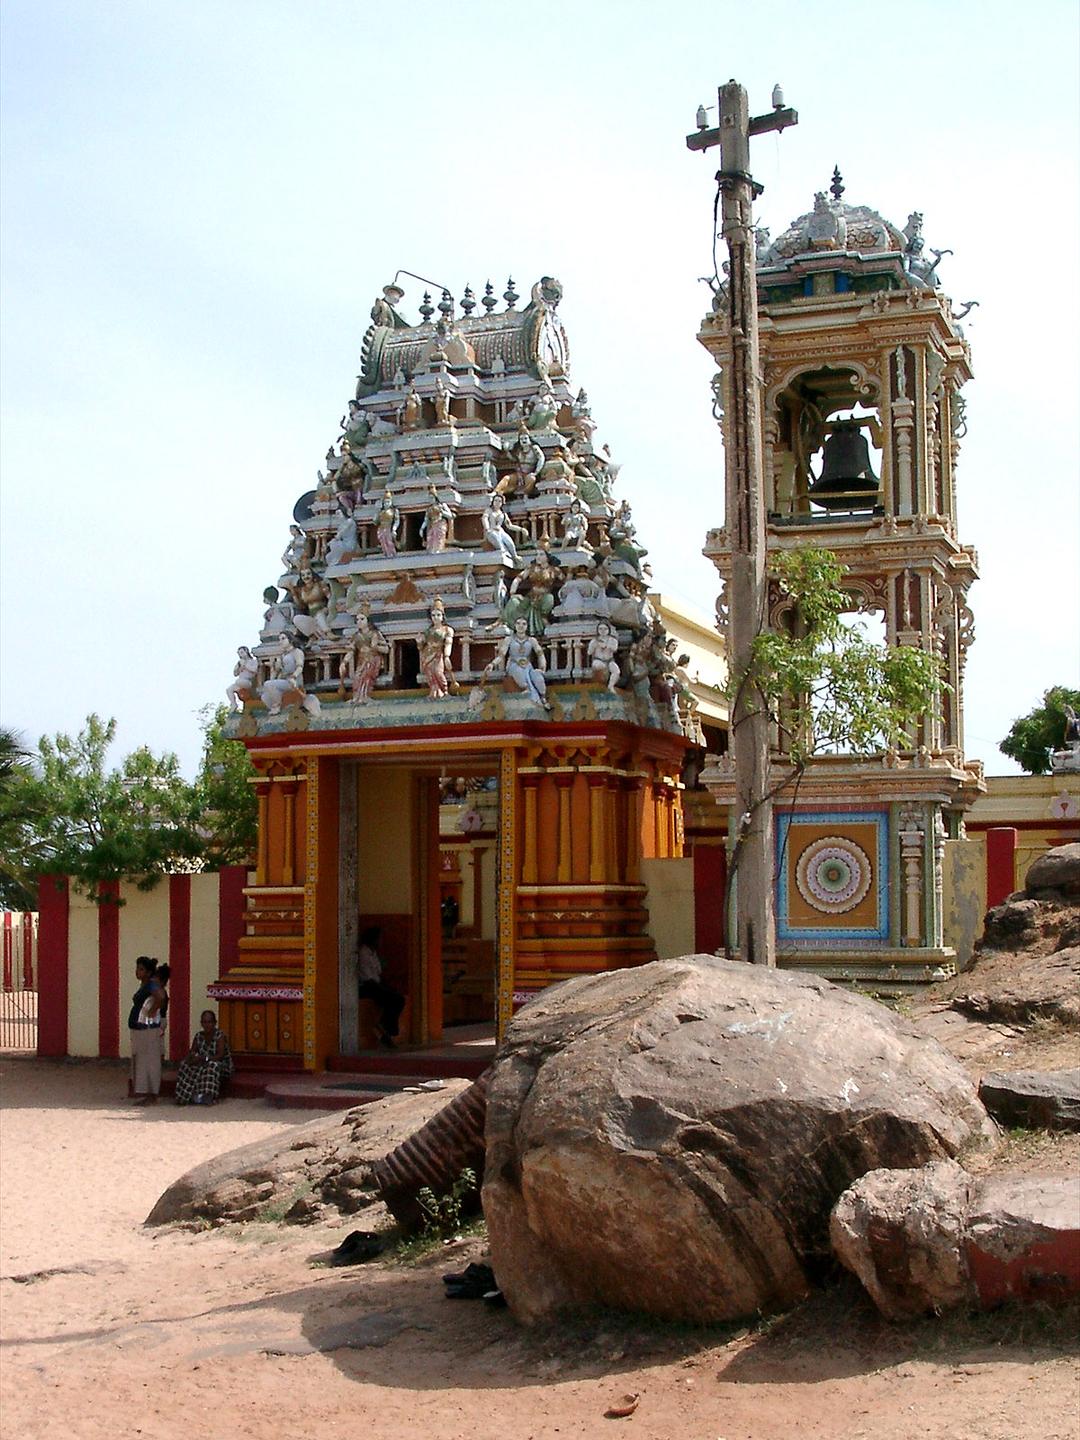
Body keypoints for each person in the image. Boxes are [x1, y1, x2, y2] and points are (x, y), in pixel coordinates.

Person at [357, 926, 405, 1047]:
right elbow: (367, 977)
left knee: (398, 998)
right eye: (379, 939)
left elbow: (378, 972)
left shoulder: (373, 953)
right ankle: (386, 1027)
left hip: (375, 984)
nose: (381, 942)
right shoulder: (364, 953)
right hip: (367, 986)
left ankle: (386, 1027)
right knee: (394, 998)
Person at [174, 1010, 234, 1106]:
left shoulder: (220, 1035)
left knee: (211, 1066)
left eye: (209, 1022)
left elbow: (220, 1056)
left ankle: (208, 1096)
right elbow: (192, 1052)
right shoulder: (198, 1036)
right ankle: (184, 1096)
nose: (207, 1025)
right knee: (185, 1065)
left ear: (215, 1023)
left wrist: (204, 1058)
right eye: (204, 1022)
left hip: (220, 1065)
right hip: (202, 1062)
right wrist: (192, 1058)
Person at [128, 956, 163, 1105]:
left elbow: (160, 997)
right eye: (137, 968)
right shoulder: (145, 985)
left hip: (148, 1029)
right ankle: (145, 1093)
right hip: (140, 1029)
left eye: (141, 969)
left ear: (148, 972)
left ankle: (152, 1095)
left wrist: (153, 1010)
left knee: (150, 1062)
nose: (137, 972)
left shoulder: (151, 985)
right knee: (143, 1061)